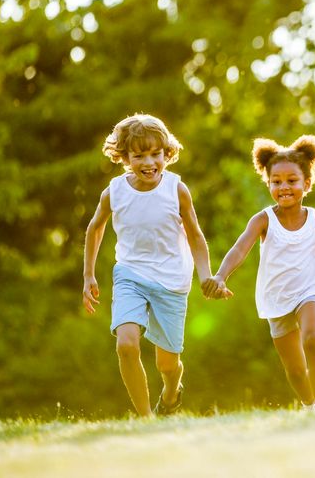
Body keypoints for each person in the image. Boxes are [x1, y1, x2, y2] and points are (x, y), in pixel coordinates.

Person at [82, 114, 217, 417]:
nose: (149, 162)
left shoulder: (176, 189)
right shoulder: (114, 192)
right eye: (139, 155)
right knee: (126, 345)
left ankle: (171, 392)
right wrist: (88, 275)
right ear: (124, 157)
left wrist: (206, 275)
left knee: (167, 364)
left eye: (156, 154)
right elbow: (95, 228)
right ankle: (145, 418)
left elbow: (195, 235)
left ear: (167, 153)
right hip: (130, 274)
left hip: (172, 281)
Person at [202, 135, 315, 410]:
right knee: (295, 370)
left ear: (307, 183)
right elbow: (239, 249)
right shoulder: (263, 220)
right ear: (268, 184)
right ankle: (309, 405)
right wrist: (220, 276)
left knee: (313, 340)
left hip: (311, 291)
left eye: (292, 180)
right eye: (276, 181)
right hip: (276, 297)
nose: (284, 187)